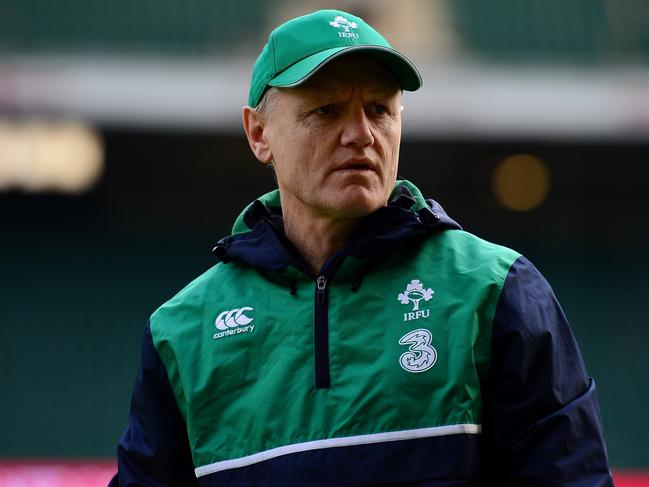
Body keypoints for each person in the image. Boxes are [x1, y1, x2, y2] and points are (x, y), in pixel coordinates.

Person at [110, 9, 613, 486]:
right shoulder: (182, 332)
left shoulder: (496, 291)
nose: (361, 134)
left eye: (378, 109)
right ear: (259, 133)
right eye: (326, 111)